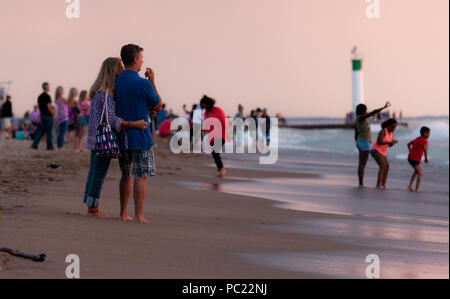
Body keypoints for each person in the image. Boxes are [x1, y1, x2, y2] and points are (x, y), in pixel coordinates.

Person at [83, 57, 149, 218]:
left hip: (94, 137)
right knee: (99, 173)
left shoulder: (98, 92)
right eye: (120, 67)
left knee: (93, 172)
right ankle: (93, 209)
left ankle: (90, 203)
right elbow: (111, 119)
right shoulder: (108, 94)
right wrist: (134, 124)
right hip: (104, 139)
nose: (122, 70)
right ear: (113, 70)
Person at [115, 44, 163, 223]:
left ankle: (123, 213)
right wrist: (152, 81)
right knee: (141, 175)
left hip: (122, 135)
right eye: (141, 58)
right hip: (140, 136)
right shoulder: (143, 83)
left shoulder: (117, 81)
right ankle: (139, 215)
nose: (142, 61)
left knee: (126, 174)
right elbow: (158, 105)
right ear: (135, 60)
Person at [354, 102, 391, 187]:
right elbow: (373, 112)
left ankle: (360, 183)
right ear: (363, 110)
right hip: (364, 142)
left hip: (360, 141)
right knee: (362, 165)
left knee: (361, 164)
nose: (367, 111)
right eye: (366, 110)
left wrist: (357, 142)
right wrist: (383, 107)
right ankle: (361, 184)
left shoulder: (358, 119)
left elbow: (355, 133)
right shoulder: (361, 118)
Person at [201, 95, 227, 178]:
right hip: (212, 137)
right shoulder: (205, 113)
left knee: (215, 152)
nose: (203, 107)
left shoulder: (218, 110)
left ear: (208, 104)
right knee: (214, 153)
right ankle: (221, 169)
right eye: (202, 106)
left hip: (221, 135)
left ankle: (222, 170)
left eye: (204, 105)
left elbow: (223, 123)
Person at [370, 118, 398, 189]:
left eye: (395, 127)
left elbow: (389, 145)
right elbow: (379, 142)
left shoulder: (391, 133)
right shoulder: (383, 131)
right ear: (388, 125)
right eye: (392, 127)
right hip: (375, 150)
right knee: (382, 166)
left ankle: (383, 184)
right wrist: (389, 142)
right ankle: (378, 185)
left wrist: (392, 143)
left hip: (382, 152)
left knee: (387, 167)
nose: (394, 128)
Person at [31, 82, 55, 150]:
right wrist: (53, 114)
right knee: (49, 132)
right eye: (49, 86)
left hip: (42, 115)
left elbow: (39, 106)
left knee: (42, 131)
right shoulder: (47, 96)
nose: (49, 87)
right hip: (48, 116)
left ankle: (34, 144)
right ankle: (49, 146)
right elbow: (49, 107)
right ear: (47, 87)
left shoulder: (40, 96)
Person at [407, 127, 430, 192]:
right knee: (420, 173)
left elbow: (408, 144)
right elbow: (425, 149)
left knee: (416, 171)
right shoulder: (425, 141)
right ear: (424, 133)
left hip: (410, 158)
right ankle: (416, 189)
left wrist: (410, 151)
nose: (429, 135)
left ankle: (410, 186)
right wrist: (426, 158)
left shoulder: (417, 138)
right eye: (428, 133)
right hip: (415, 160)